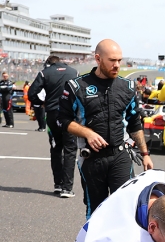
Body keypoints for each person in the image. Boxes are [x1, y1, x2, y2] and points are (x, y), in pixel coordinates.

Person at [62, 39, 153, 217]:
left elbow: (135, 123)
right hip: (91, 159)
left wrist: (145, 154)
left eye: (119, 60)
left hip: (120, 155)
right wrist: (87, 133)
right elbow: (62, 120)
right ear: (98, 59)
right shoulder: (76, 86)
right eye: (112, 60)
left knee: (126, 209)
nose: (117, 65)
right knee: (96, 212)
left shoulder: (127, 87)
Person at [29, 55, 78, 196]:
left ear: (48, 63)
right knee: (70, 149)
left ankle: (58, 183)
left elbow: (32, 93)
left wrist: (40, 102)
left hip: (52, 114)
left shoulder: (45, 73)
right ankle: (67, 188)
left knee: (56, 148)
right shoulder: (74, 72)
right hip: (70, 115)